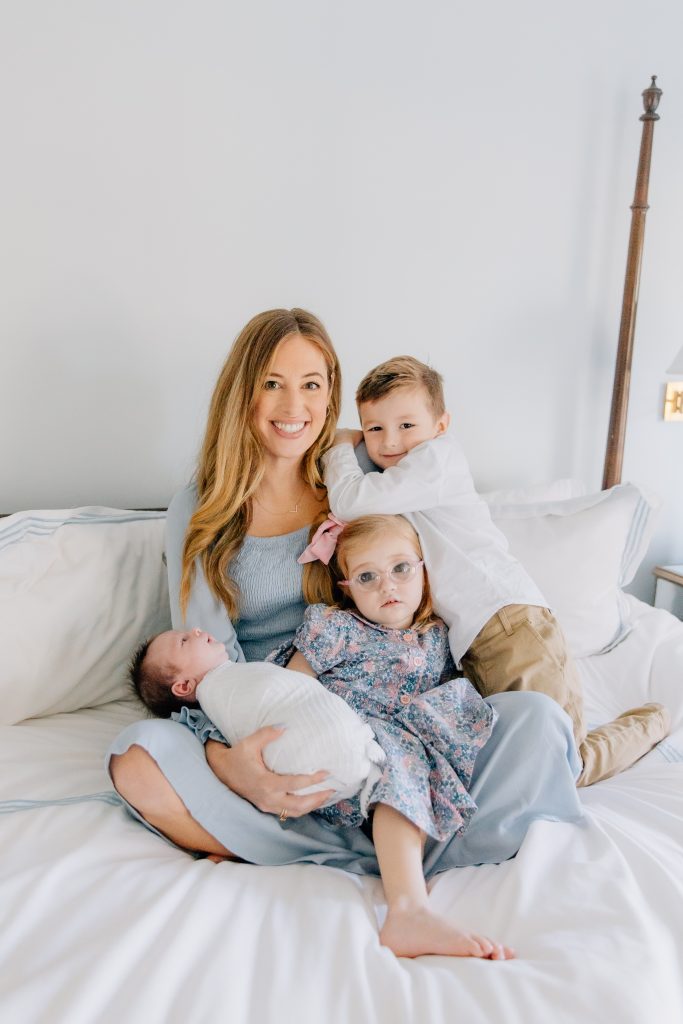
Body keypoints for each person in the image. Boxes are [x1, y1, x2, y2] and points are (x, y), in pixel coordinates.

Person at [106, 309, 583, 957]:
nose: (292, 405)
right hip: (270, 721)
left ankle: (345, 840)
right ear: (242, 392)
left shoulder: (358, 483)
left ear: (331, 393)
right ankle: (388, 844)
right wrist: (231, 766)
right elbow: (205, 656)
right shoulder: (201, 506)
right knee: (136, 755)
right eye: (272, 384)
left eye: (312, 384)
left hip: (378, 705)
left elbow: (416, 545)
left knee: (536, 721)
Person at [323, 355, 671, 787]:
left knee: (563, 765)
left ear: (441, 425)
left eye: (406, 425)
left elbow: (351, 501)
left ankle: (656, 720)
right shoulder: (403, 482)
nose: (390, 441)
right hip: (475, 641)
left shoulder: (437, 460)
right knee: (516, 762)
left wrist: (340, 446)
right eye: (374, 429)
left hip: (511, 624)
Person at [129, 627, 385, 811]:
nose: (196, 630)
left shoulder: (231, 679)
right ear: (184, 686)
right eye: (184, 641)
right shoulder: (220, 692)